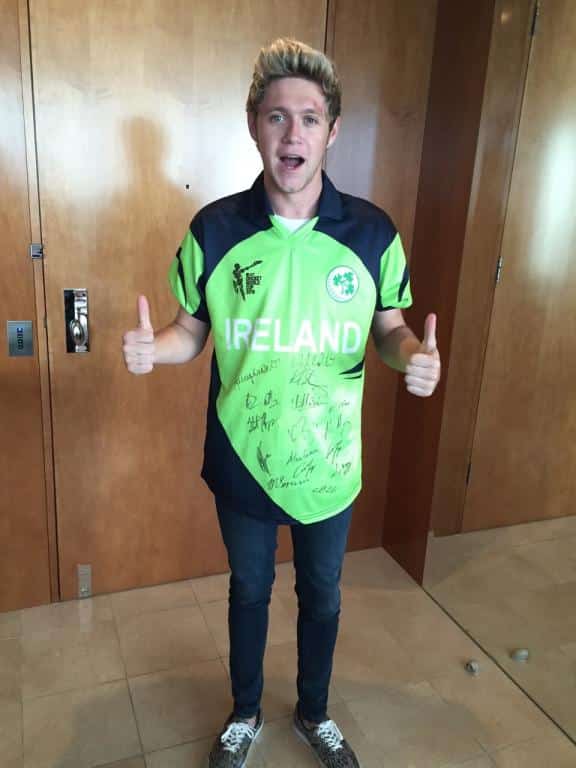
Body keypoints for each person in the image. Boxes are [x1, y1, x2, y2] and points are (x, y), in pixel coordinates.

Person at [122, 37, 441, 768]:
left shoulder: (373, 234)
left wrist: (413, 359)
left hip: (329, 461)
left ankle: (314, 712)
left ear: (332, 131)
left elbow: (389, 330)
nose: (292, 133)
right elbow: (189, 332)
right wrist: (152, 349)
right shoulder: (214, 229)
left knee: (323, 595)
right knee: (250, 589)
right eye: (276, 116)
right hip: (242, 453)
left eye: (309, 117)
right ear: (254, 126)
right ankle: (244, 712)